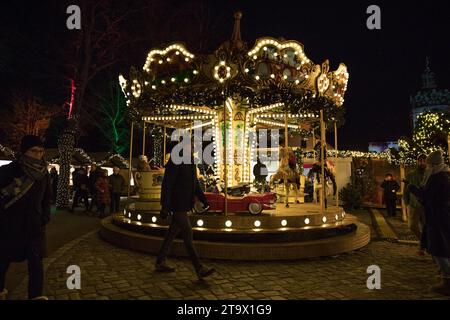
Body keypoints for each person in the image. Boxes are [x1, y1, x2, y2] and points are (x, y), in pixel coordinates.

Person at [155, 137, 215, 280]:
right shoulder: (176, 160)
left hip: (184, 203)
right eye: (191, 145)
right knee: (187, 233)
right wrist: (165, 205)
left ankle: (160, 262)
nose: (194, 148)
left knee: (171, 234)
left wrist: (204, 199)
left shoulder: (190, 162)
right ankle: (199, 268)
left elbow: (194, 184)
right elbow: (167, 183)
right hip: (177, 204)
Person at [0, 135, 51, 300]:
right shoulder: (9, 170)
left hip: (34, 226)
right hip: (9, 225)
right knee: (3, 260)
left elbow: (46, 198)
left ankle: (36, 295)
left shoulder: (44, 173)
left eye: (41, 151)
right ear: (24, 151)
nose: (38, 155)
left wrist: (45, 217)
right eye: (34, 151)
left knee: (36, 263)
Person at [406, 150, 450, 296]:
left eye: (429, 163)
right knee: (441, 246)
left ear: (433, 164)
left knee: (438, 249)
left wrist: (413, 189)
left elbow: (427, 196)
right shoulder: (444, 176)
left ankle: (447, 281)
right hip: (440, 216)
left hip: (437, 217)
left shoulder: (437, 178)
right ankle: (444, 276)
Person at [403, 154, 427, 254]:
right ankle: (423, 241)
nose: (422, 162)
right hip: (413, 205)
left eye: (424, 161)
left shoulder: (430, 174)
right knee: (412, 226)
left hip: (426, 205)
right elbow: (406, 189)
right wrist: (406, 201)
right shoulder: (411, 174)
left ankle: (423, 247)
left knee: (425, 226)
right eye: (420, 161)